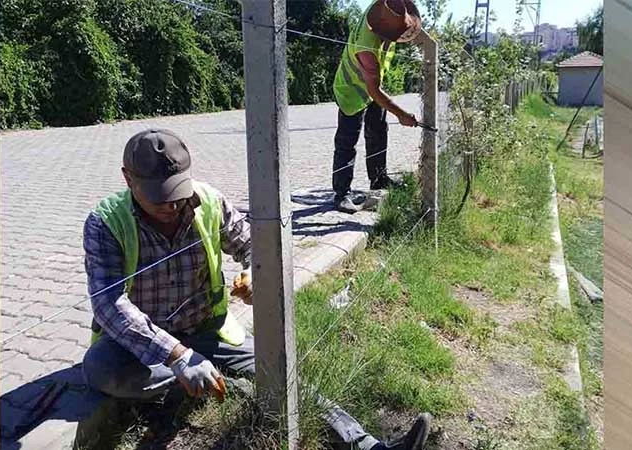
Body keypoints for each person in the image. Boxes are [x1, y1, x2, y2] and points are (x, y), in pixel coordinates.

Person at [81, 129, 433, 449]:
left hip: (207, 330)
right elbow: (110, 305)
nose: (172, 206)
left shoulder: (208, 202)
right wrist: (177, 356)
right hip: (143, 346)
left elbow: (255, 245)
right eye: (159, 198)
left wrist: (255, 273)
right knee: (100, 369)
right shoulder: (105, 224)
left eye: (177, 192)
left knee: (277, 371)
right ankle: (209, 384)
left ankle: (368, 446)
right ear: (128, 179)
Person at [332, 0, 424, 213]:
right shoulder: (367, 47)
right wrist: (401, 114)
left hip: (372, 85)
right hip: (351, 90)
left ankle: (379, 179)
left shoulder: (383, 10)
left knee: (378, 131)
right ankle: (342, 194)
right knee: (347, 141)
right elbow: (373, 90)